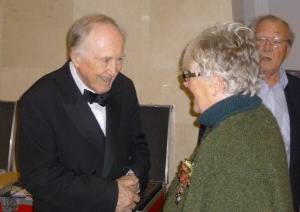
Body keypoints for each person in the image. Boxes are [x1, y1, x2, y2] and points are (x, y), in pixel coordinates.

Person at [18, 13, 150, 212]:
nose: (114, 71)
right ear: (77, 57)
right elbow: (38, 176)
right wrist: (111, 194)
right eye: (105, 60)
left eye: (119, 59)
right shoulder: (39, 99)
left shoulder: (125, 87)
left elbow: (138, 145)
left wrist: (133, 180)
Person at [163, 22, 293, 212]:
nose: (187, 84)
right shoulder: (252, 118)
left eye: (189, 74)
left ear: (216, 82)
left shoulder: (231, 145)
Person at [251, 14, 300, 211]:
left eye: (277, 41)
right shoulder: (230, 89)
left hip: (285, 199)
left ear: (287, 51)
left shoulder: (297, 91)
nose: (267, 47)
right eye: (261, 39)